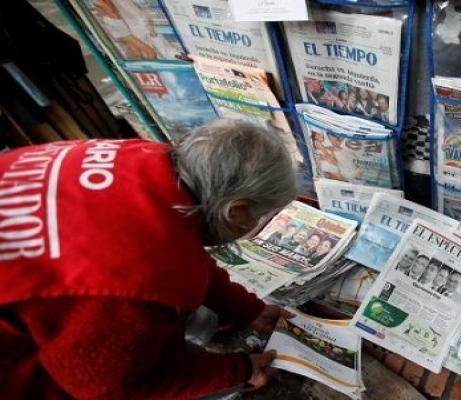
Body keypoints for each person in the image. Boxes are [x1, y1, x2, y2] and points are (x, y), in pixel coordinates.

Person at [0, 119, 298, 398]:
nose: (257, 223)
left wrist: (246, 308)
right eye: (259, 216)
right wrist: (238, 370)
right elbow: (107, 387)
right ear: (236, 211)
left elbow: (176, 242)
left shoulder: (145, 156)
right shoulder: (139, 276)